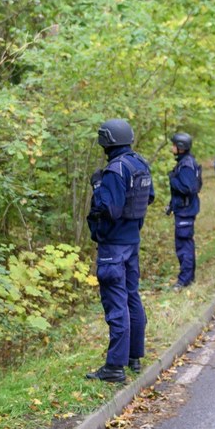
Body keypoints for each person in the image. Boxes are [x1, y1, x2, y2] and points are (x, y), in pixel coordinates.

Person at [84, 118, 154, 382]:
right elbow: (149, 198)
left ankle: (115, 367)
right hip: (132, 242)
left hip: (113, 245)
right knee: (132, 296)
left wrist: (98, 185)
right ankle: (134, 357)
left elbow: (110, 209)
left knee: (116, 303)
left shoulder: (115, 170)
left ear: (107, 140)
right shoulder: (140, 164)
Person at [165, 131, 200, 289]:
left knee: (183, 245)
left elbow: (189, 188)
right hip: (184, 208)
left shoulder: (186, 164)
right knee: (186, 243)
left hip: (186, 210)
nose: (172, 147)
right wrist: (172, 205)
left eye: (174, 145)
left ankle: (184, 279)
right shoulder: (186, 161)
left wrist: (173, 179)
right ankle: (189, 276)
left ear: (180, 147)